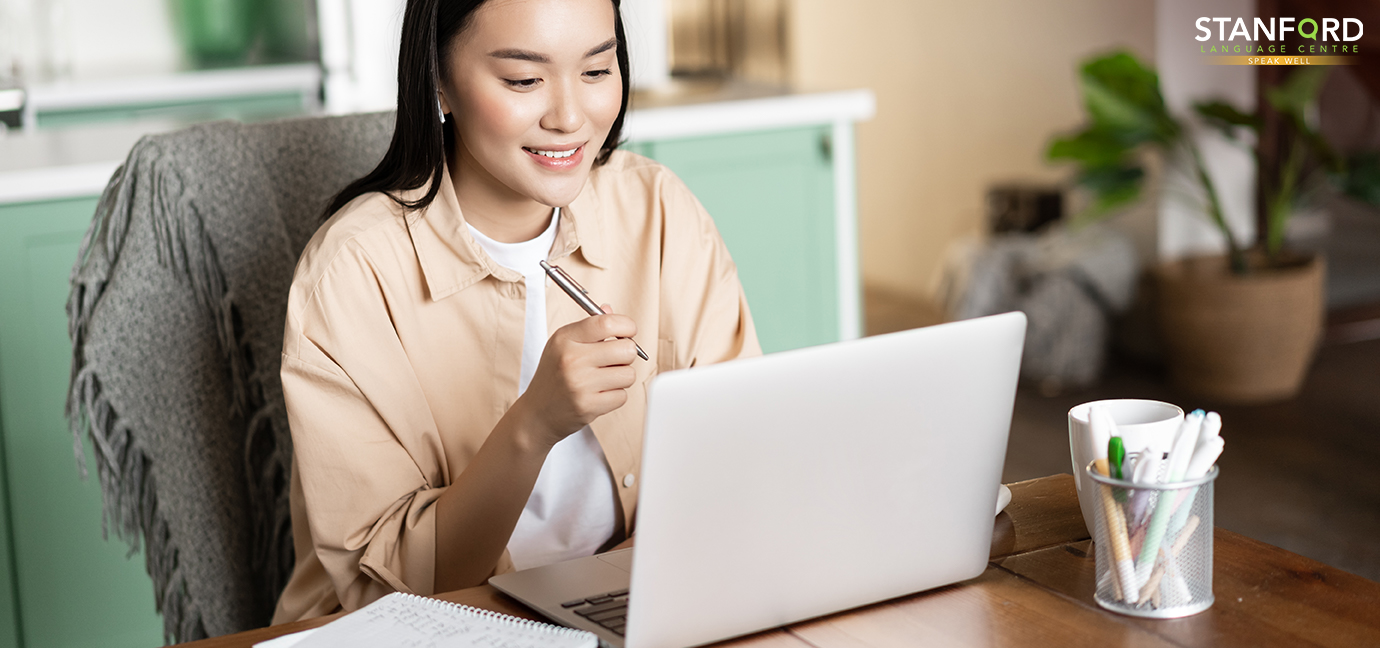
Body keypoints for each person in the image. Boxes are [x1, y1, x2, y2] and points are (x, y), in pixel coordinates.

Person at [271, 0, 760, 624]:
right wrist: (535, 423)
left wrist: (641, 579)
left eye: (596, 70)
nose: (569, 117)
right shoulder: (350, 274)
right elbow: (391, 592)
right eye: (524, 80)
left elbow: (738, 455)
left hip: (629, 603)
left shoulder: (658, 211)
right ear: (439, 81)